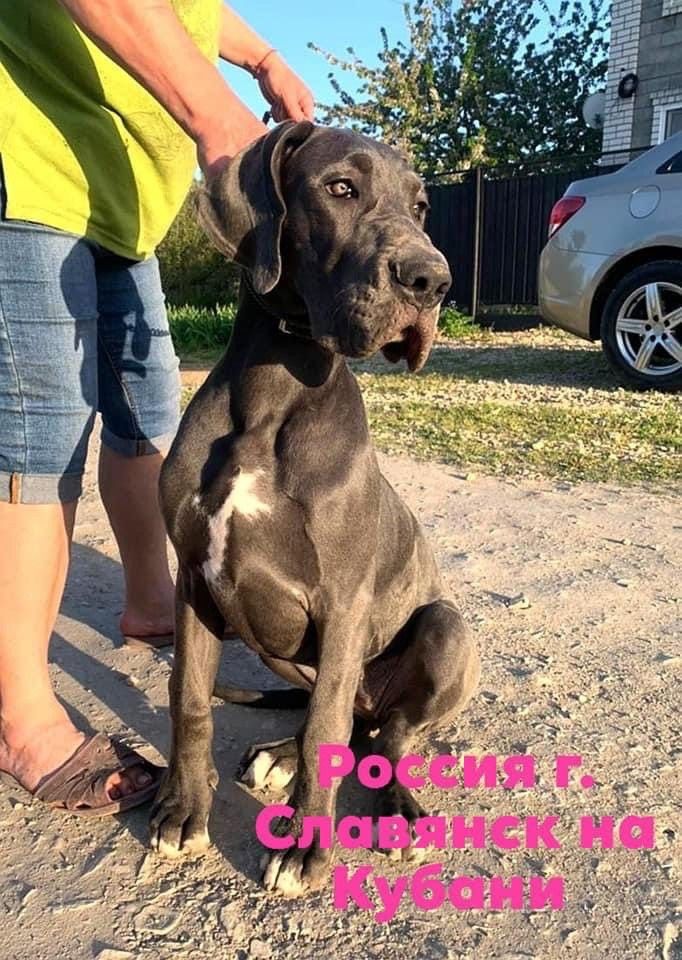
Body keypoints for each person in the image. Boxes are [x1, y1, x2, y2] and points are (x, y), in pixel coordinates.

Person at [0, 1, 314, 816]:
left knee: (146, 406)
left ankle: (149, 601)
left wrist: (262, 56)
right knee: (40, 433)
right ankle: (19, 719)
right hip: (29, 159)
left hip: (120, 197)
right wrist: (216, 115)